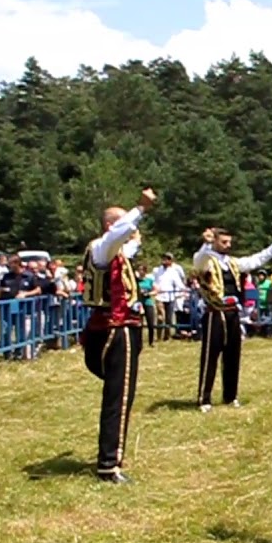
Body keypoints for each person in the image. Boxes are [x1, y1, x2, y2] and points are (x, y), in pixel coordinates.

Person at [80, 187, 157, 484]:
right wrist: (140, 209)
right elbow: (117, 237)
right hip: (114, 328)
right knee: (119, 396)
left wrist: (135, 236)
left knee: (121, 394)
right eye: (124, 223)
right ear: (112, 226)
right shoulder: (103, 246)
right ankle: (109, 464)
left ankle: (111, 458)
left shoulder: (115, 253)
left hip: (116, 327)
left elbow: (127, 246)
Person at [191, 226, 272, 412]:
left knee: (233, 356)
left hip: (233, 312)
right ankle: (204, 398)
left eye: (229, 243)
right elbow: (198, 261)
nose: (228, 246)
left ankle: (230, 396)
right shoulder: (206, 259)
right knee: (210, 356)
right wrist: (206, 244)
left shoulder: (232, 262)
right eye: (224, 242)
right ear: (215, 241)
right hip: (215, 312)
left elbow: (254, 260)